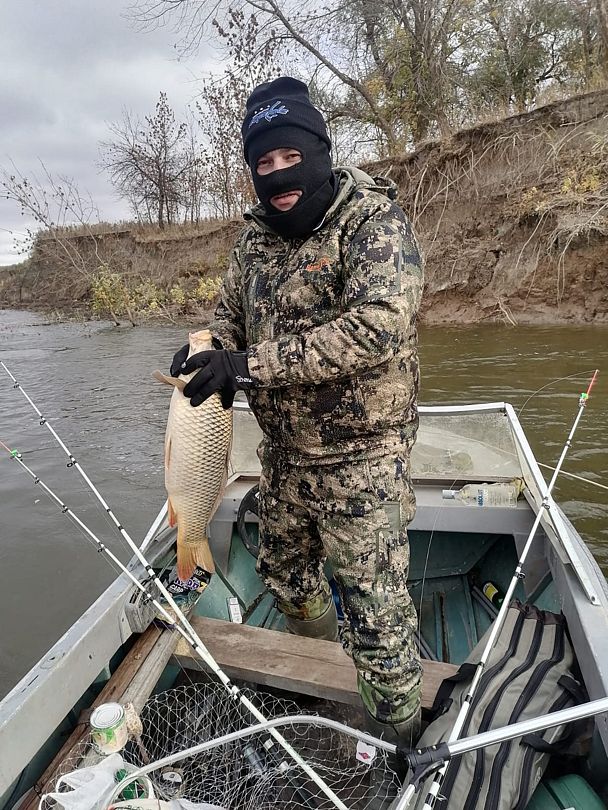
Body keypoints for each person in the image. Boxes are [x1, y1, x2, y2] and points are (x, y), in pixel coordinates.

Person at [170, 76, 424, 761]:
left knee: (376, 616)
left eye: (291, 157)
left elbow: (378, 327)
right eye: (264, 163)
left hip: (363, 458)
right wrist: (208, 352)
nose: (279, 176)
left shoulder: (371, 221)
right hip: (283, 458)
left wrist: (248, 364)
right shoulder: (252, 241)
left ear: (319, 149)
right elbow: (228, 319)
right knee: (285, 578)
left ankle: (402, 743)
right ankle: (322, 688)